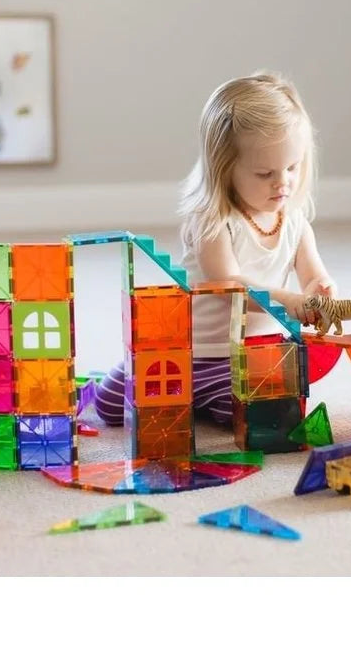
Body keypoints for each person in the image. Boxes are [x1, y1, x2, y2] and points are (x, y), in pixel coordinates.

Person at [95, 71, 337, 428]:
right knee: (110, 406)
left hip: (249, 354)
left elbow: (313, 275)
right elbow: (228, 284)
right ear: (225, 170)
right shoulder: (212, 219)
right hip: (189, 351)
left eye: (292, 167)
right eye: (264, 173)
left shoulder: (296, 223)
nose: (282, 181)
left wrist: (320, 291)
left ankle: (205, 402)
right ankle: (192, 397)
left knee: (254, 419)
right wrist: (288, 300)